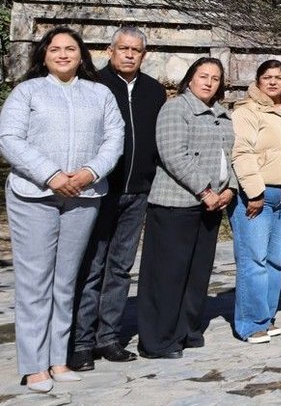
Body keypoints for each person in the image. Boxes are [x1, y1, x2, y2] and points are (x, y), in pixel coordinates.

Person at [0, 27, 123, 392]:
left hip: (83, 196)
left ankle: (58, 358)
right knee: (35, 281)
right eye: (56, 49)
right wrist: (51, 175)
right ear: (44, 55)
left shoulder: (99, 93)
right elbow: (9, 138)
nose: (64, 54)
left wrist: (89, 172)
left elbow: (114, 138)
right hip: (34, 196)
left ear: (82, 55)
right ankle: (34, 365)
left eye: (71, 48)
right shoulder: (28, 91)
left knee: (66, 281)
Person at [70, 26, 165, 371]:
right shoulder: (92, 85)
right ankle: (81, 341)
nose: (129, 54)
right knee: (92, 266)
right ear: (110, 51)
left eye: (135, 50)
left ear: (144, 54)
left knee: (121, 268)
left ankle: (108, 337)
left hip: (137, 191)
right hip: (98, 191)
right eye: (123, 48)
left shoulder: (154, 91)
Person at [136, 57, 234, 359]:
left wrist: (230, 188)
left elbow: (229, 155)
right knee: (167, 274)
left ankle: (186, 330)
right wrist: (205, 190)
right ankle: (158, 340)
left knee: (197, 273)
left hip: (211, 206)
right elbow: (172, 154)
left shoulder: (222, 114)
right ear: (190, 79)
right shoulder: (176, 108)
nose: (208, 82)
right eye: (203, 76)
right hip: (176, 204)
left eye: (215, 78)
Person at [228, 60, 281, 343]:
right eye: (267, 77)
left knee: (275, 262)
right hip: (258, 194)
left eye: (279, 77)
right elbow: (240, 152)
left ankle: (266, 317)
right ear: (257, 81)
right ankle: (249, 323)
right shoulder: (246, 112)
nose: (273, 82)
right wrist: (254, 192)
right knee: (253, 260)